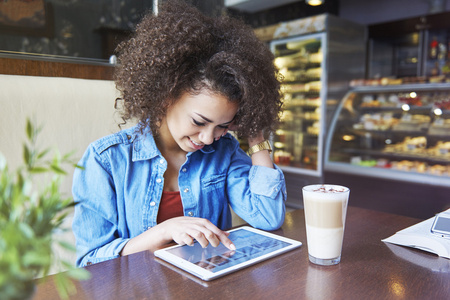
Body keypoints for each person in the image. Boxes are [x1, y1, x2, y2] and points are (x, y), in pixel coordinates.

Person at [72, 0, 286, 268]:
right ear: (165, 97)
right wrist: (163, 231)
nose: (208, 138)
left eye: (222, 125)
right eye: (199, 121)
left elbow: (269, 217)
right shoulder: (105, 160)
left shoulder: (225, 151)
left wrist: (257, 134)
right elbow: (89, 261)